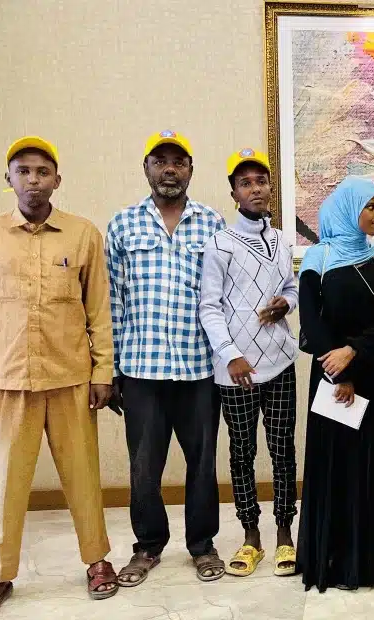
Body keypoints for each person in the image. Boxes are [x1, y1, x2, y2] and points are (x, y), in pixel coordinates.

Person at [0, 137, 119, 619]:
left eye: (42, 171)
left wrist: (102, 371)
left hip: (70, 377)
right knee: (5, 481)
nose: (33, 179)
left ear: (57, 179)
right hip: (6, 381)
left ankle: (97, 560)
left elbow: (99, 310)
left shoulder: (82, 233)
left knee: (83, 477)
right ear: (8, 179)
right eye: (23, 171)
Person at [107, 130, 227, 585]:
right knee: (144, 466)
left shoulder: (212, 224)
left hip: (199, 368)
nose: (169, 169)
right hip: (141, 370)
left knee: (201, 464)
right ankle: (148, 547)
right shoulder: (123, 224)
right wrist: (113, 368)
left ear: (191, 169)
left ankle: (202, 545)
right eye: (160, 161)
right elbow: (112, 300)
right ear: (147, 169)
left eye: (178, 161)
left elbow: (223, 296)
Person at [295, 176, 374, 591]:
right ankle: (338, 558)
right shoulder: (318, 258)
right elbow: (312, 320)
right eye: (371, 207)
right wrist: (340, 371)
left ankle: (372, 559)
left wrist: (356, 353)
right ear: (349, 209)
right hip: (334, 381)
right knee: (339, 465)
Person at [198, 149, 299, 578]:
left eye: (262, 180)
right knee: (241, 453)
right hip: (236, 371)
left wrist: (285, 303)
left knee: (283, 450)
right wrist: (232, 355)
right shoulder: (219, 243)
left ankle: (283, 534)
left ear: (270, 187)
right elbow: (209, 307)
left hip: (279, 363)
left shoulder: (282, 241)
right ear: (234, 193)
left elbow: (292, 288)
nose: (256, 188)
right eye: (246, 183)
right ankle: (250, 535)